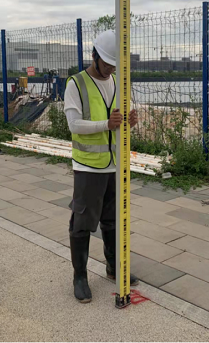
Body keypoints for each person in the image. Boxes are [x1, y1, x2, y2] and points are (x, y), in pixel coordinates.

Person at [63, 29, 139, 303]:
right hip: (89, 167)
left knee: (112, 220)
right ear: (94, 55)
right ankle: (80, 277)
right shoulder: (76, 84)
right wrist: (106, 124)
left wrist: (129, 122)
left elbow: (120, 122)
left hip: (115, 166)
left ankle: (113, 266)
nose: (110, 69)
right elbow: (74, 125)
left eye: (114, 65)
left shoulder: (118, 81)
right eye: (107, 63)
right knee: (82, 223)